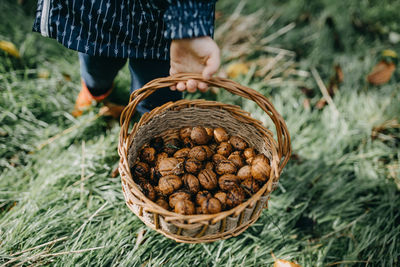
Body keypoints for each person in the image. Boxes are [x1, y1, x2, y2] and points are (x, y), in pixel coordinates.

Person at [32, 0, 220, 116]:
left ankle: (152, 132)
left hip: (160, 23)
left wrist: (188, 26)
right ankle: (95, 90)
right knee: (96, 70)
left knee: (157, 96)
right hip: (97, 15)